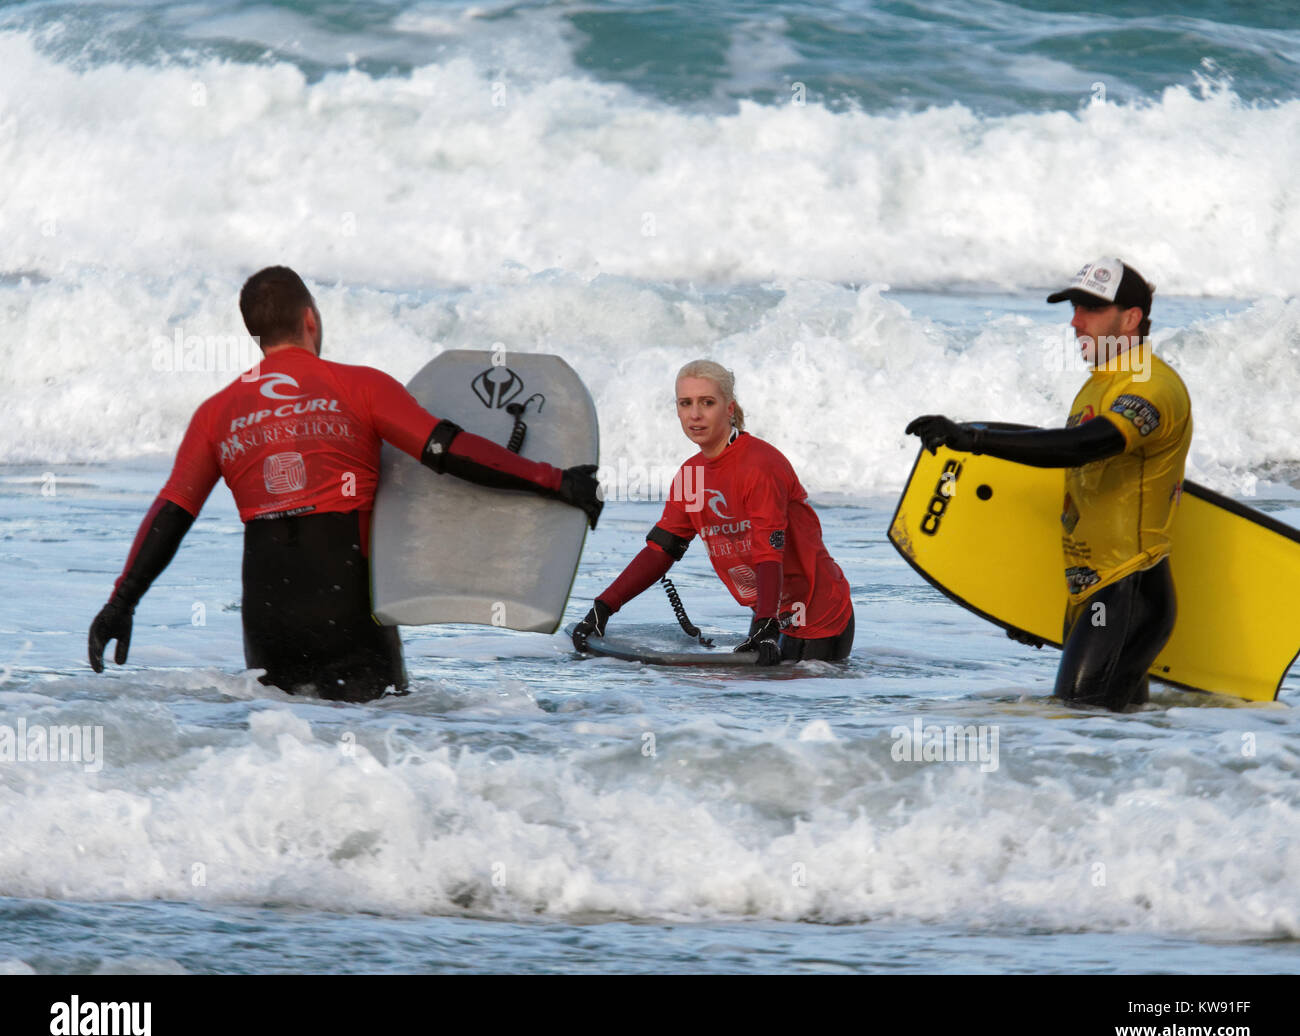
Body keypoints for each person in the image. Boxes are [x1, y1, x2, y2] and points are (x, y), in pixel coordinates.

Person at [88, 266, 602, 701]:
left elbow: (173, 511)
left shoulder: (216, 412)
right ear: (310, 318)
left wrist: (120, 603)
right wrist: (555, 481)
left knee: (281, 747)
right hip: (343, 600)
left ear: (256, 334)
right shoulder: (359, 386)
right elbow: (447, 450)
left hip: (267, 610)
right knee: (380, 744)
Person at [905, 257, 1192, 711]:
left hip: (1127, 590)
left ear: (1131, 318)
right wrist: (1031, 604)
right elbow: (1077, 491)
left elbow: (1082, 446)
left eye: (1091, 310)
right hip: (1092, 593)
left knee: (1077, 720)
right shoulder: (1097, 387)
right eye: (1074, 308)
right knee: (1113, 736)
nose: (1076, 322)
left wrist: (975, 440)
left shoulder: (1152, 386)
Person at [571, 359, 854, 664]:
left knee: (793, 705)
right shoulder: (692, 475)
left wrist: (765, 625)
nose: (695, 414)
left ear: (729, 408)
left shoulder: (759, 466)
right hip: (769, 613)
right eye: (685, 403)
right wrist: (603, 607)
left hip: (819, 613)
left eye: (707, 403)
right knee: (755, 703)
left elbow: (768, 552)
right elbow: (661, 551)